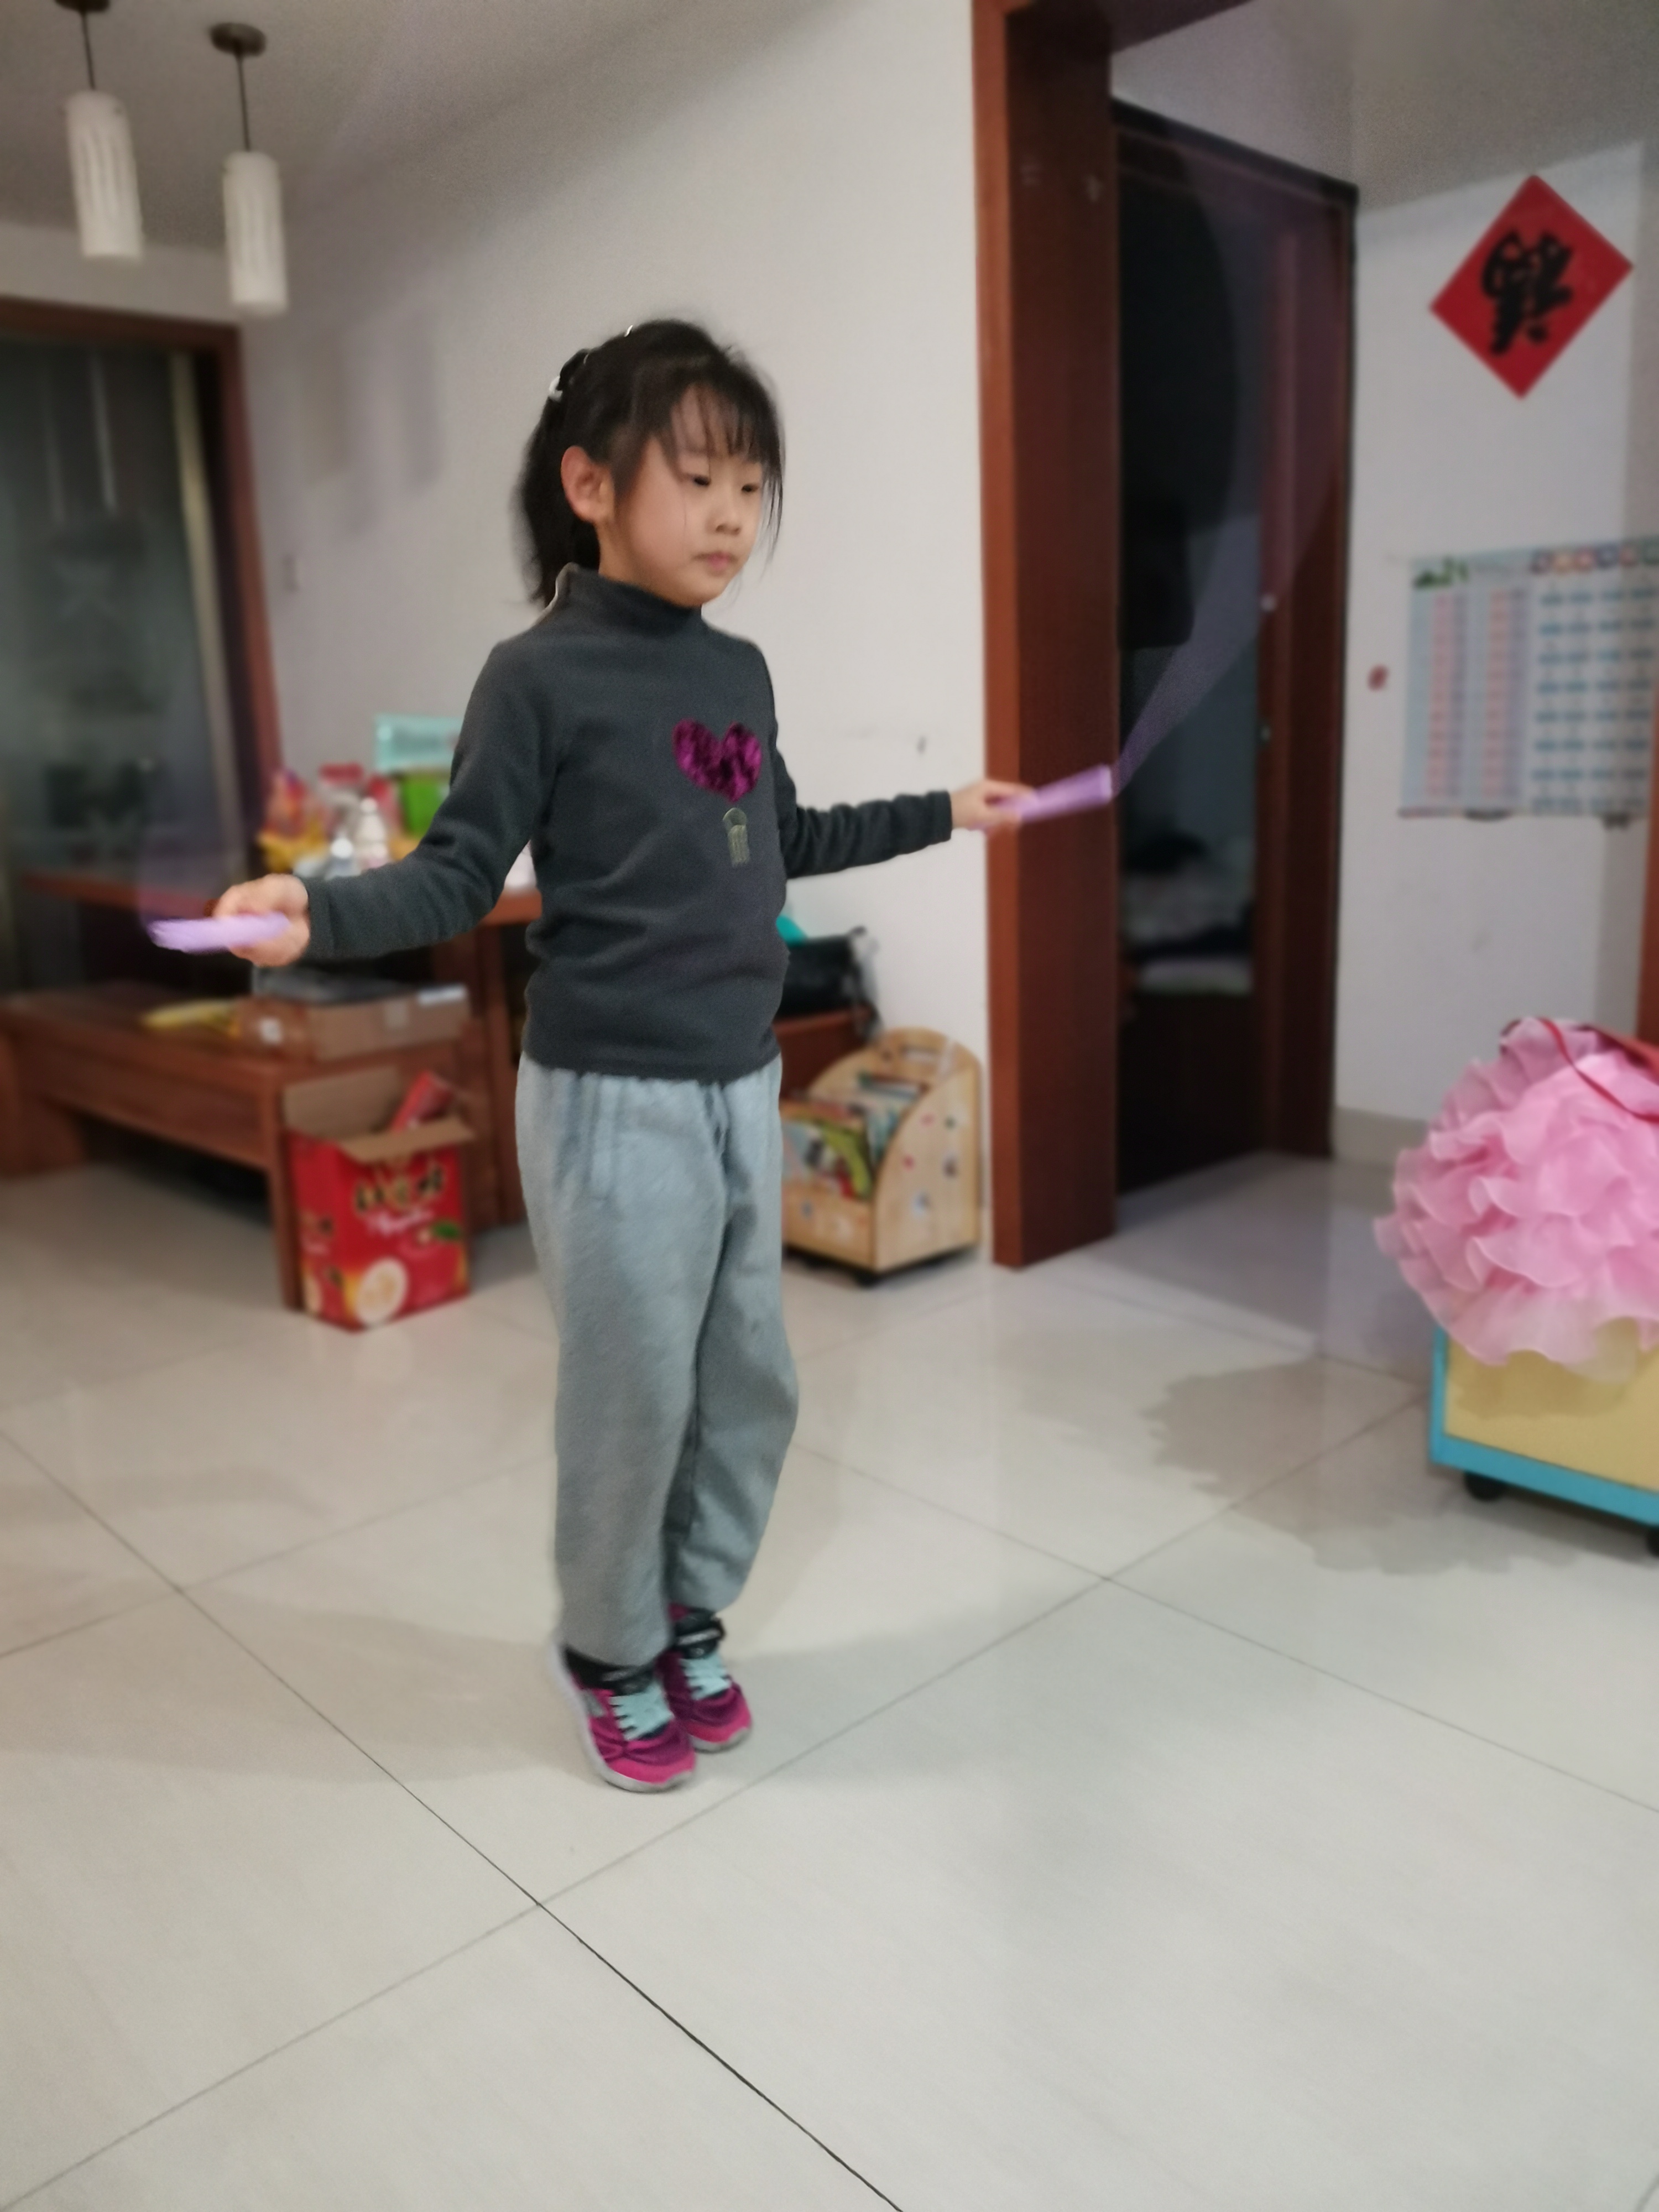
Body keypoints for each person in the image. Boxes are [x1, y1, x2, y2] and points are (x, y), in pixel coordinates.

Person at [218, 320, 1026, 1792]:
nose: (732, 516)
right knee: (635, 1392)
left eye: (751, 487)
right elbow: (457, 876)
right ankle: (607, 1647)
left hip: (740, 1082)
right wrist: (315, 915)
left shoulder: (741, 672)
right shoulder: (536, 678)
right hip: (608, 1101)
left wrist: (944, 810)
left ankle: (685, 1613)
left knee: (749, 1380)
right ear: (590, 485)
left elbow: (783, 837)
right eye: (699, 478)